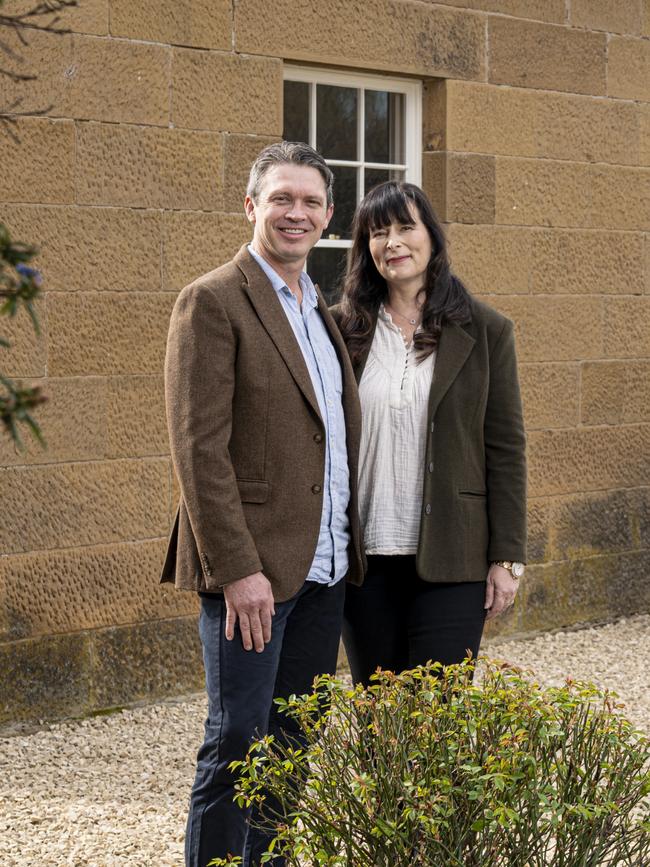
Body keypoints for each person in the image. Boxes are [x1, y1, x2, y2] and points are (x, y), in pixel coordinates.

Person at [160, 141, 363, 867]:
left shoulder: (322, 311)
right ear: (252, 206)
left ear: (329, 216)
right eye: (281, 198)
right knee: (237, 739)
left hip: (324, 571)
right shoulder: (213, 300)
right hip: (252, 576)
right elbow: (198, 451)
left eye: (310, 202)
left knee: (292, 744)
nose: (295, 213)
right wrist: (237, 568)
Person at [334, 181, 526, 687]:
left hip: (453, 558)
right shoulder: (341, 331)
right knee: (380, 714)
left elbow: (505, 448)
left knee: (438, 720)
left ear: (432, 238)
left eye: (404, 227)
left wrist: (507, 558)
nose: (391, 242)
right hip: (364, 559)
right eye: (378, 233)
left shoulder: (486, 330)